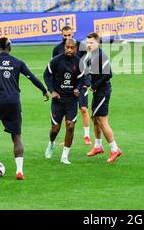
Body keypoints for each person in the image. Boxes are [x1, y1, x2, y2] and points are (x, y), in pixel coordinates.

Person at [0, 37, 49, 180]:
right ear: (10, 48)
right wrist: (44, 90)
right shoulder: (18, 62)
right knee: (16, 136)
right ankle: (19, 171)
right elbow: (32, 77)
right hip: (15, 102)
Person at [43, 39, 85, 164]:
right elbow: (46, 75)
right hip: (58, 100)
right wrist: (52, 91)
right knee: (55, 129)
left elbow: (82, 78)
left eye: (72, 48)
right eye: (68, 47)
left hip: (71, 100)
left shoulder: (79, 62)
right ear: (64, 47)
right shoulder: (56, 60)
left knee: (70, 127)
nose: (70, 50)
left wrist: (77, 88)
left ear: (76, 49)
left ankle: (65, 156)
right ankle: (51, 143)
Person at [85, 32, 122, 163]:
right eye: (87, 43)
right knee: (94, 118)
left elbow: (108, 74)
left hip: (103, 91)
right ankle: (98, 146)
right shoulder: (91, 55)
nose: (89, 45)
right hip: (97, 91)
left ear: (98, 43)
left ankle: (114, 149)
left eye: (91, 43)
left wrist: (95, 86)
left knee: (101, 120)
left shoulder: (101, 55)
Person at [53, 26, 91, 145]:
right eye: (65, 36)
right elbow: (54, 69)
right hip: (66, 86)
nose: (67, 38)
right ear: (61, 35)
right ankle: (67, 139)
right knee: (66, 114)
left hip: (80, 83)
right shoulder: (57, 49)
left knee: (84, 109)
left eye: (69, 35)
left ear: (73, 34)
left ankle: (87, 136)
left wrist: (87, 82)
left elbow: (88, 64)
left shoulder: (82, 47)